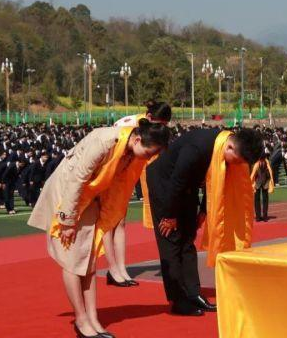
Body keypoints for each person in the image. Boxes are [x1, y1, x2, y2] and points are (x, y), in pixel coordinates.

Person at [27, 121, 169, 338]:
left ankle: (93, 318)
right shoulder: (105, 141)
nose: (148, 158)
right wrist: (67, 220)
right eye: (149, 153)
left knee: (89, 259)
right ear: (138, 140)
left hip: (90, 198)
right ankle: (81, 320)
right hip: (66, 199)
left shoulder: (129, 150)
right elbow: (77, 179)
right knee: (72, 260)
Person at [146, 127, 262, 316]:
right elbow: (177, 181)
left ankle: (193, 293)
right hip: (165, 185)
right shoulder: (197, 148)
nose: (235, 165)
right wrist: (169, 216)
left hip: (187, 186)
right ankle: (177, 300)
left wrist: (203, 211)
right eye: (237, 161)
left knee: (188, 238)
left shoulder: (222, 147)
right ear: (230, 147)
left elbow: (216, 181)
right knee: (171, 241)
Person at [103, 100, 172, 287]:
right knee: (108, 222)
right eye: (160, 124)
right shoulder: (127, 125)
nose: (161, 129)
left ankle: (121, 268)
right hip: (112, 172)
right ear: (149, 117)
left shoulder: (152, 128)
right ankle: (112, 268)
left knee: (120, 221)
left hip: (128, 175)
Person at [251, 154, 274, 222]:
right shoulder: (256, 164)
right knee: (257, 200)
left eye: (263, 160)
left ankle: (265, 216)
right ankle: (258, 216)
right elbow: (252, 174)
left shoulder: (267, 164)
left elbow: (270, 173)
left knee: (265, 200)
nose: (262, 161)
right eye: (261, 160)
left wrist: (270, 181)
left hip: (265, 183)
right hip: (257, 183)